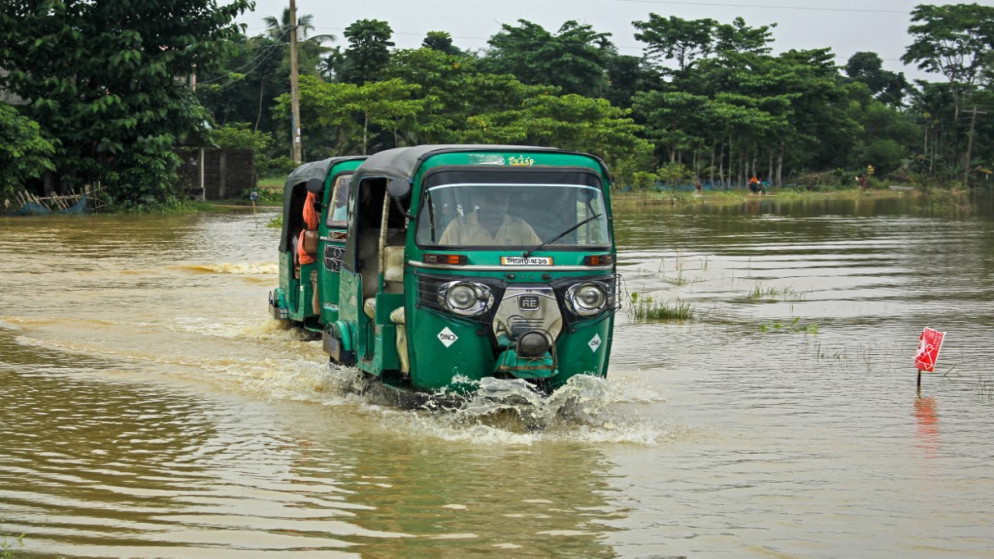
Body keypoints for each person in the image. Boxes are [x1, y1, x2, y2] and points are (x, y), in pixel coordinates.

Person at [438, 188, 541, 246]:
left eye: (504, 201)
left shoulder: (520, 226)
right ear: (478, 201)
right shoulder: (459, 226)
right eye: (493, 201)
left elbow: (538, 255)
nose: (499, 206)